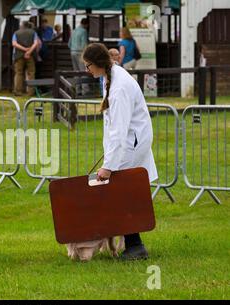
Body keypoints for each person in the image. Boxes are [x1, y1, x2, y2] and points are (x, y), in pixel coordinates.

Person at [82, 43, 158, 260]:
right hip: (129, 143)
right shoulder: (111, 77)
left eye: (88, 66)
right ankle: (131, 245)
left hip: (130, 145)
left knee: (122, 194)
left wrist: (108, 166)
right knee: (125, 195)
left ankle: (136, 247)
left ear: (97, 63)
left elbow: (119, 130)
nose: (87, 71)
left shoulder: (119, 87)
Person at [12, 21, 38, 96]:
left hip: (19, 55)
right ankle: (30, 92)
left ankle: (18, 91)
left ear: (22, 25)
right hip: (31, 55)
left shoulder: (16, 33)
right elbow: (36, 43)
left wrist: (24, 49)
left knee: (19, 73)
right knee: (31, 73)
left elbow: (14, 44)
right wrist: (29, 51)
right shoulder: (33, 32)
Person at [68, 18, 89, 96]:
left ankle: (77, 90)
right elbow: (84, 44)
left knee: (76, 72)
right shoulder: (84, 31)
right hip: (80, 53)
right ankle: (85, 91)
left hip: (72, 52)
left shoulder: (74, 30)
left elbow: (69, 44)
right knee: (83, 71)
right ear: (86, 24)